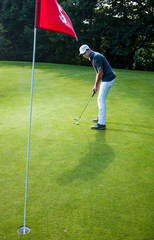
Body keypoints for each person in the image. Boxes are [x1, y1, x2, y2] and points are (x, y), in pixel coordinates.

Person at [79, 44, 116, 130]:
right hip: (105, 78)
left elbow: (101, 72)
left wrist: (97, 85)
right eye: (82, 54)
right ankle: (101, 118)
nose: (84, 55)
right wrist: (96, 86)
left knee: (101, 99)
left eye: (85, 53)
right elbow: (97, 73)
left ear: (89, 49)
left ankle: (102, 124)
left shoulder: (96, 57)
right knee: (100, 99)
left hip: (108, 78)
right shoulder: (91, 58)